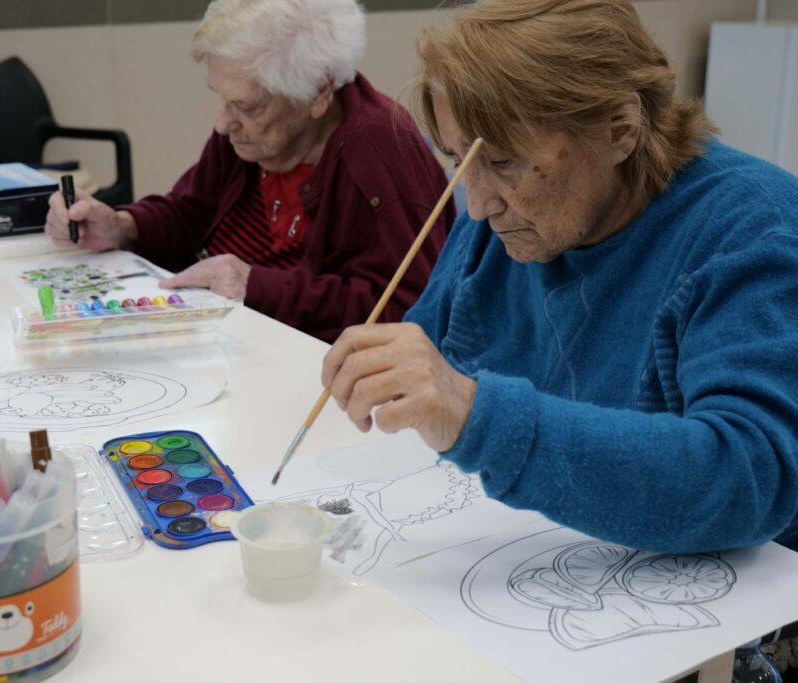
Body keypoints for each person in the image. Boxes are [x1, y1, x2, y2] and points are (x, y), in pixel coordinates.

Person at [321, 0, 798, 554]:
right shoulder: (507, 222)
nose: (478, 205)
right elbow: (423, 374)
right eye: (458, 160)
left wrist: (474, 415)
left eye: (502, 161)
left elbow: (749, 477)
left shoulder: (753, 232)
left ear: (620, 129)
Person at [45, 0, 453, 342]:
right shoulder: (250, 135)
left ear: (319, 91)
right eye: (222, 99)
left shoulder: (380, 154)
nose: (223, 124)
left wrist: (255, 286)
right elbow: (190, 213)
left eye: (247, 106)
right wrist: (122, 226)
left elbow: (405, 311)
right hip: (226, 338)